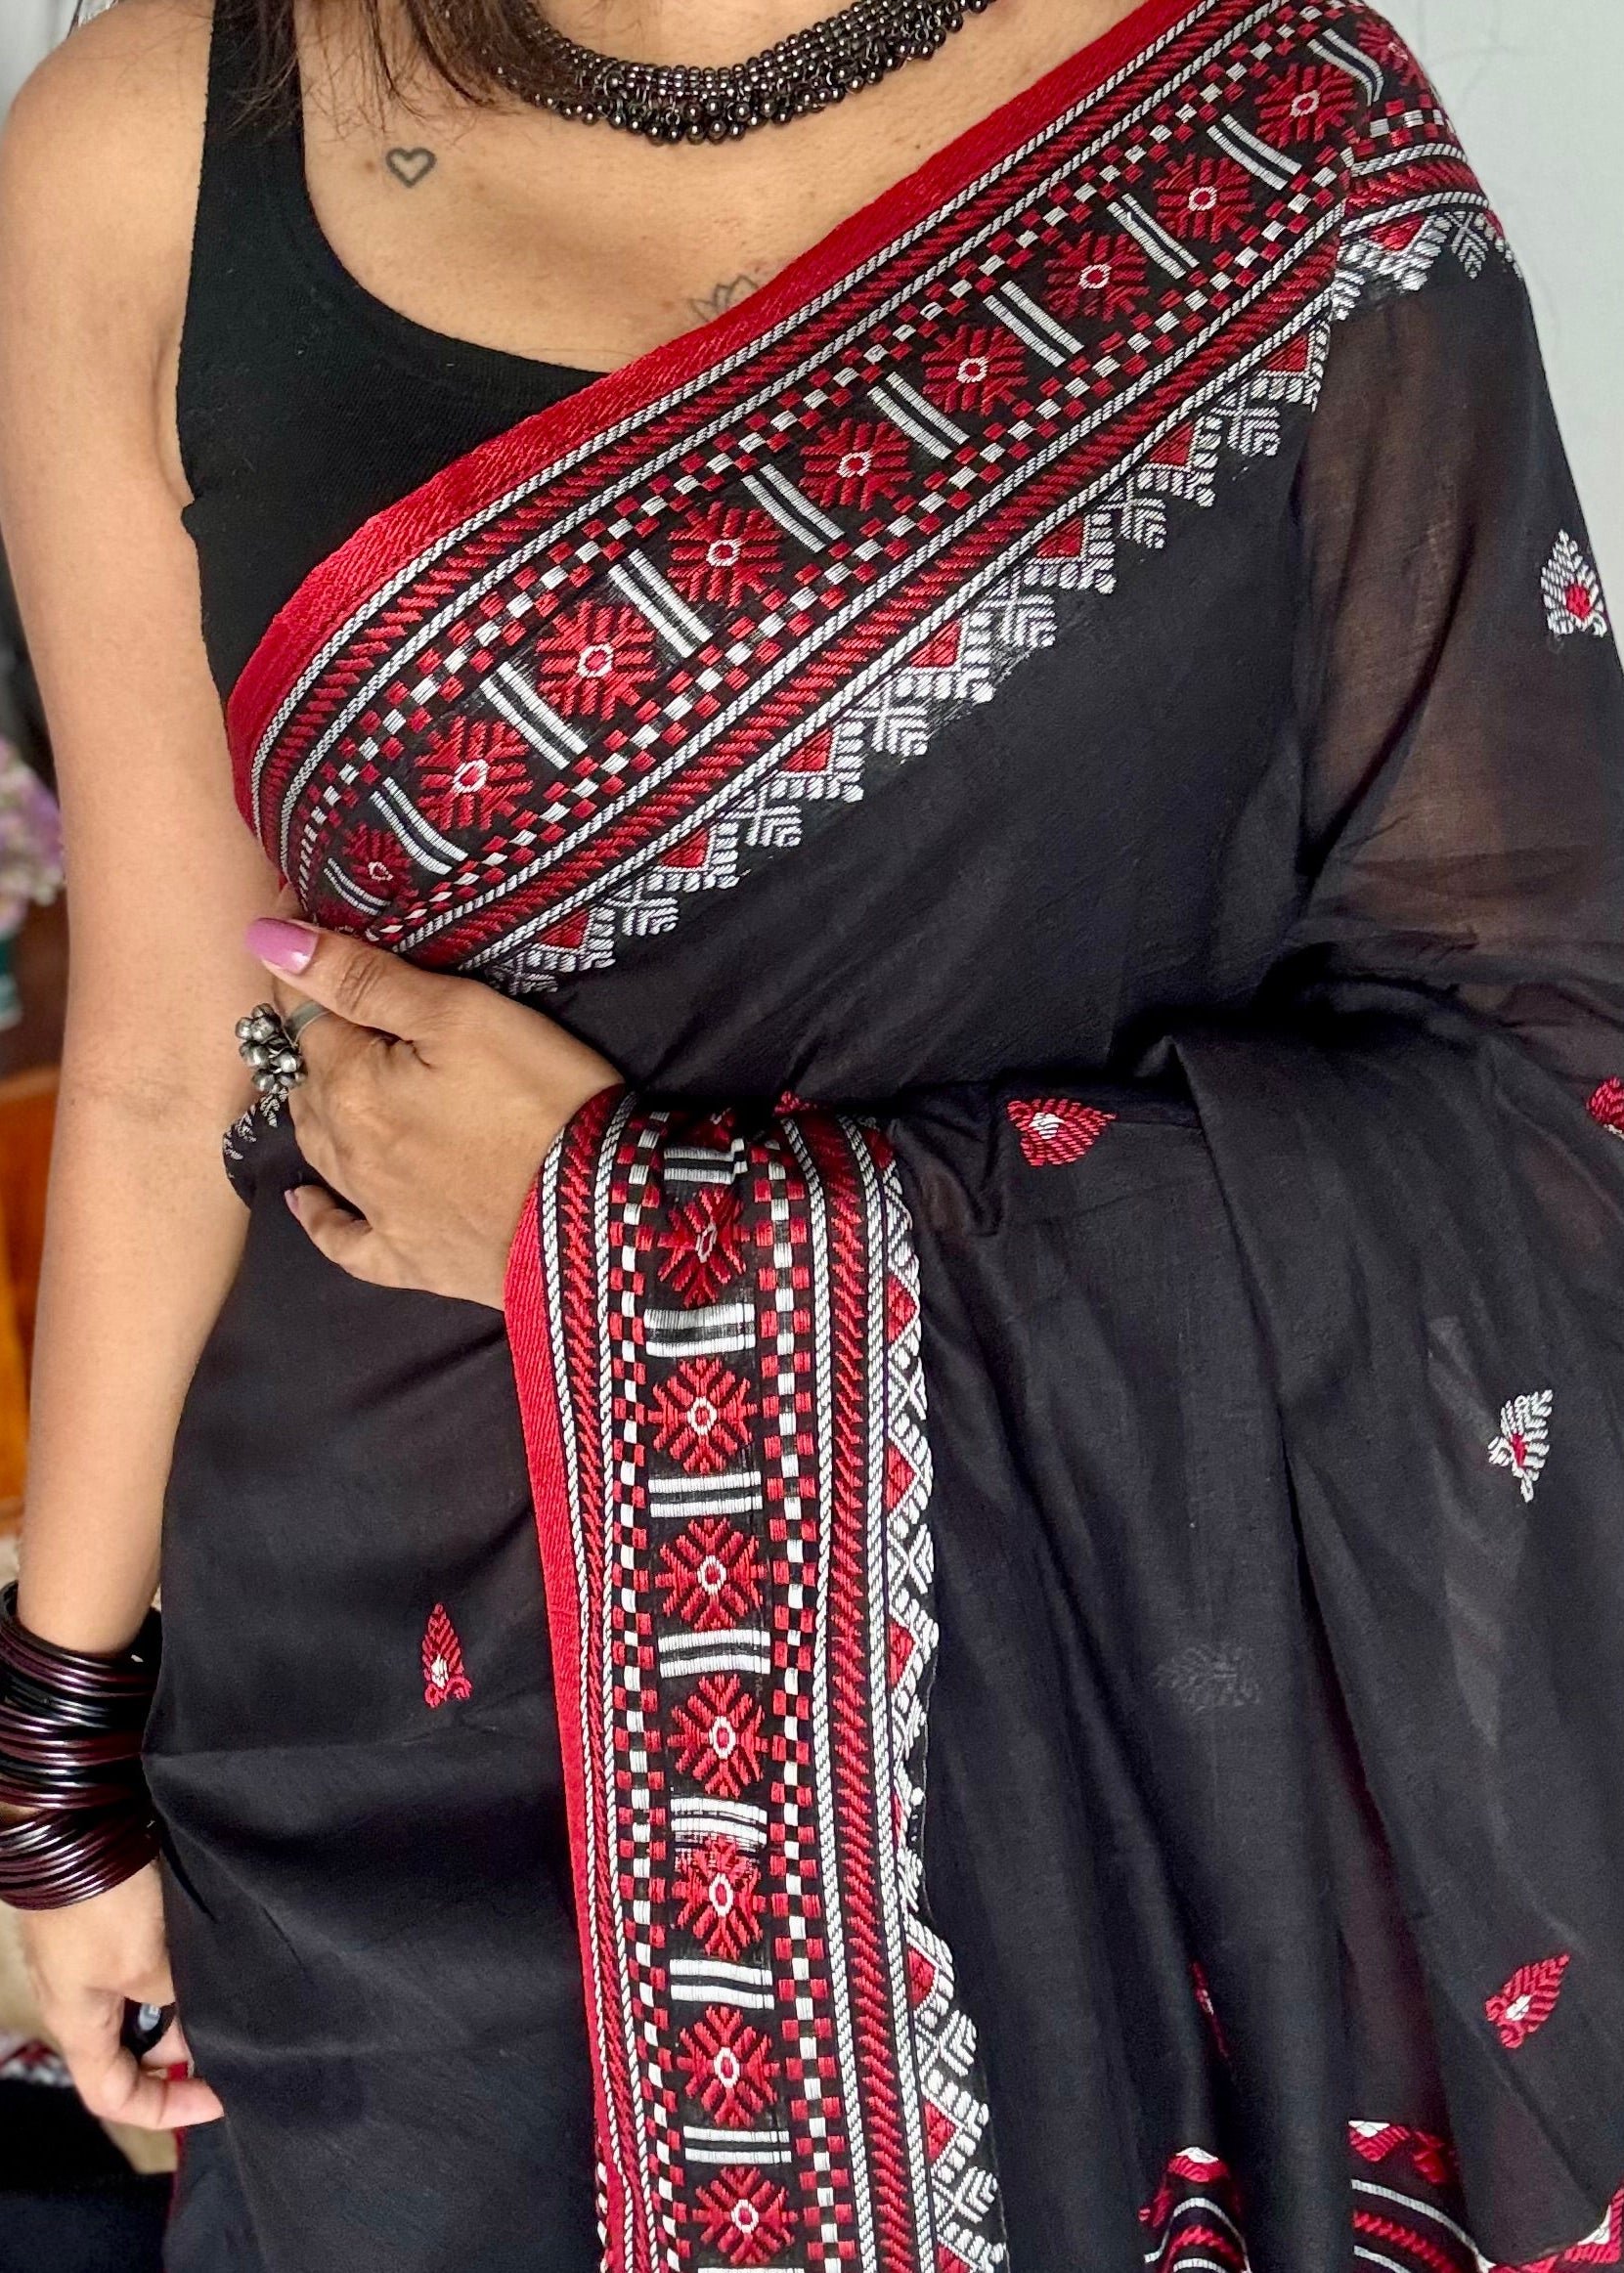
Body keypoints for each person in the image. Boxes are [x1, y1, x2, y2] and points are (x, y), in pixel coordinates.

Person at [1, 0, 1622, 2265]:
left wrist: (617, 1224)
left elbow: (1543, 1063)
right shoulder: (152, 137)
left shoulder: (1264, 117)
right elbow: (182, 1052)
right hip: (391, 1757)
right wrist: (58, 1754)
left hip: (1066, 1742)